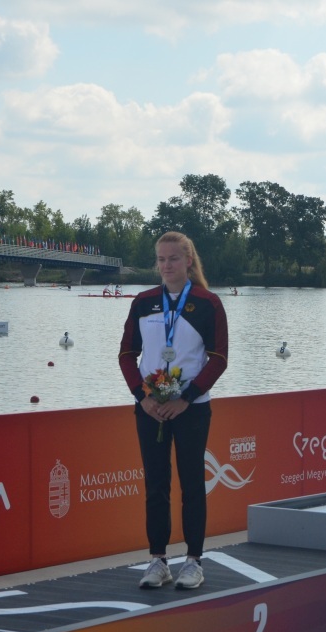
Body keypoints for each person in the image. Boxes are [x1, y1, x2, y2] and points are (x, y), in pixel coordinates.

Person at [119, 231, 228, 588]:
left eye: (174, 259)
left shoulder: (208, 303)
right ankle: (158, 561)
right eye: (161, 259)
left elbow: (219, 359)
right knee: (156, 485)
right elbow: (126, 355)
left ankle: (194, 561)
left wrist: (186, 398)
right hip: (150, 409)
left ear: (189, 261)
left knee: (193, 484)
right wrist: (143, 397)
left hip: (191, 408)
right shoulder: (143, 302)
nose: (166, 265)